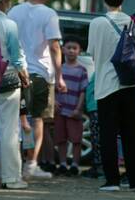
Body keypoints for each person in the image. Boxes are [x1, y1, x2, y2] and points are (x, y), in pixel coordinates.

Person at [87, 0, 135, 192]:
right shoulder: (132, 21)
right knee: (133, 133)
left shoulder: (97, 23)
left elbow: (93, 54)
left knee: (108, 134)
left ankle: (112, 180)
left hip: (106, 85)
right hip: (131, 83)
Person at [9, 0, 67, 179]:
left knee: (15, 118)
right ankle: (31, 165)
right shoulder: (49, 14)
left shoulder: (14, 11)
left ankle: (13, 163)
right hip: (41, 73)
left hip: (15, 71)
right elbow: (54, 46)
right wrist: (59, 76)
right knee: (37, 120)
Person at [0, 0, 30, 189]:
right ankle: (10, 178)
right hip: (8, 78)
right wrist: (25, 76)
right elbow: (15, 57)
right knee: (10, 130)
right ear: (4, 1)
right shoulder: (8, 24)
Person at [53, 37, 88, 177]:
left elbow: (83, 91)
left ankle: (74, 165)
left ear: (79, 51)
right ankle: (62, 164)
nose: (72, 51)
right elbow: (53, 88)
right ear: (63, 50)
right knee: (61, 139)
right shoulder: (59, 68)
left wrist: (79, 109)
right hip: (60, 109)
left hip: (74, 110)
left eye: (75, 48)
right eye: (69, 48)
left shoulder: (82, 70)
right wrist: (54, 102)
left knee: (76, 139)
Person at [81, 74, 103, 179]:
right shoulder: (97, 72)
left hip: (97, 107)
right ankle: (97, 165)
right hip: (93, 107)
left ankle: (100, 168)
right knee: (95, 139)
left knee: (98, 139)